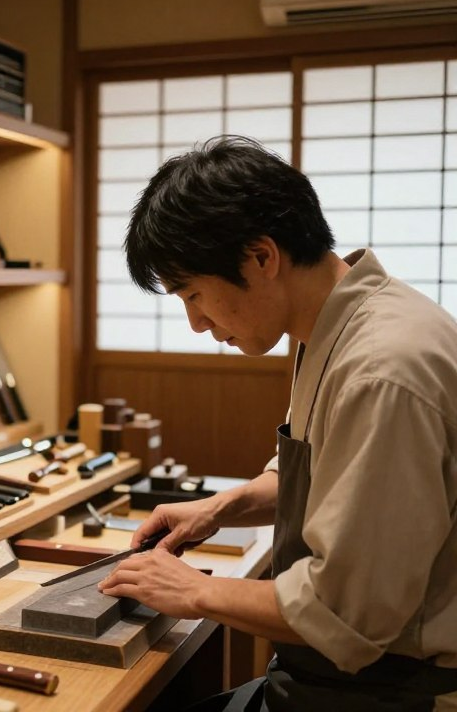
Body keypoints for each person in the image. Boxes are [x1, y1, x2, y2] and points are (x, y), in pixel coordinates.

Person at [99, 135, 457, 711]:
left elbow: (348, 613)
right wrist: (220, 507)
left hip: (394, 694)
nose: (196, 324)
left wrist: (199, 590)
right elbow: (323, 478)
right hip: (336, 679)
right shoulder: (338, 326)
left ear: (262, 257)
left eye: (194, 294)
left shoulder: (382, 368)